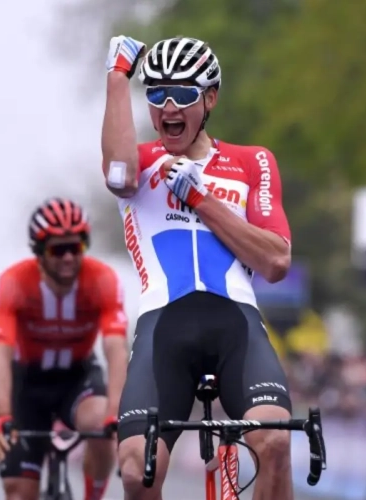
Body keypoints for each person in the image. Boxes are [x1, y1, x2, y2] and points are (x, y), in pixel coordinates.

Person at [101, 36, 295, 500]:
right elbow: (116, 175)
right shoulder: (143, 163)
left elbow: (275, 261)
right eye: (156, 93)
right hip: (163, 328)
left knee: (275, 442)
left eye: (183, 94)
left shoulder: (253, 162)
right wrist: (117, 78)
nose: (169, 105)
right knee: (135, 470)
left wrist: (201, 200)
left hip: (236, 326)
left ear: (210, 99)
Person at [0, 197, 128, 500]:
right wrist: (2, 415)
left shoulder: (102, 280)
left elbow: (116, 348)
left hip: (77, 377)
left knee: (102, 427)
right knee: (19, 492)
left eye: (75, 248)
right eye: (58, 249)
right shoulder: (13, 284)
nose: (68, 258)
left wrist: (115, 413)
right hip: (27, 383)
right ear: (39, 252)